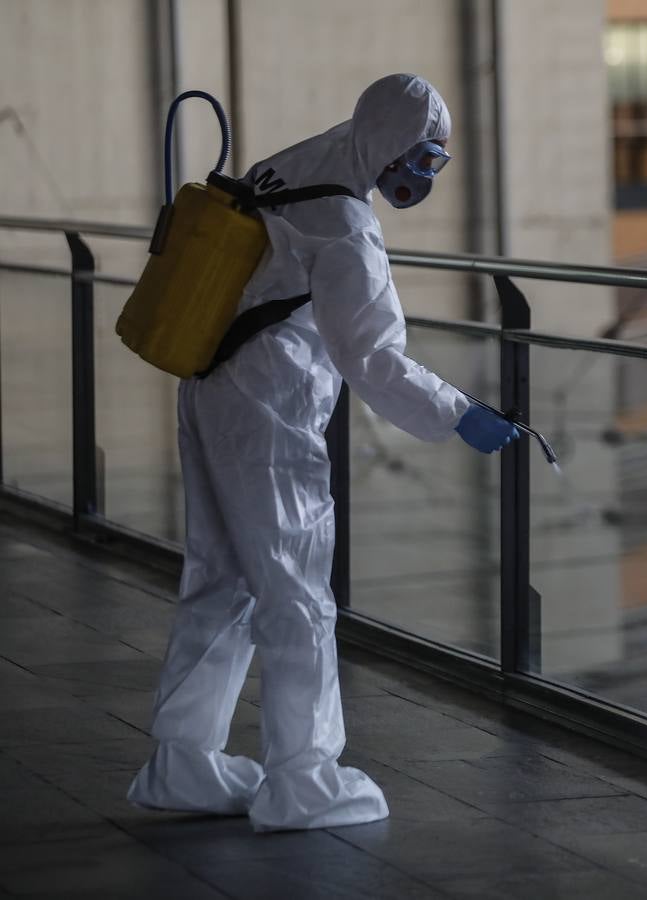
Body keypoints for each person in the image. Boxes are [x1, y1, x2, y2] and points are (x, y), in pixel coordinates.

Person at [127, 74, 517, 831]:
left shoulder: (292, 163)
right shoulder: (344, 223)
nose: (423, 176)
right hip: (269, 411)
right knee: (296, 593)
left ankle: (184, 761)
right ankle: (303, 778)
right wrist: (459, 413)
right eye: (424, 159)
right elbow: (372, 358)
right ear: (394, 144)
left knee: (223, 579)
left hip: (210, 381)